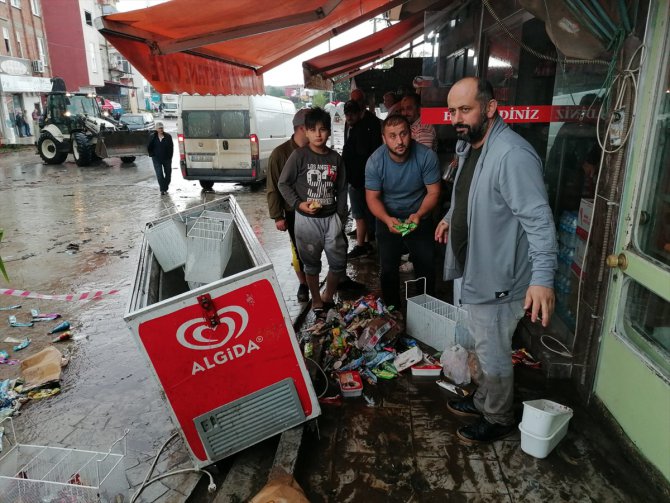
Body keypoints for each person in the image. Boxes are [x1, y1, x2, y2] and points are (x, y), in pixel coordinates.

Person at [435, 77, 557, 444]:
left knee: (493, 351)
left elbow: (539, 221)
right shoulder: (470, 146)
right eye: (452, 110)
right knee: (483, 343)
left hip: (500, 277)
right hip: (477, 267)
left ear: (490, 108)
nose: (457, 118)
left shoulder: (511, 155)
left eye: (465, 110)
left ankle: (498, 416)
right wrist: (449, 218)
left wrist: (543, 278)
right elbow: (466, 194)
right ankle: (485, 398)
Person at [365, 114, 441, 309]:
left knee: (426, 267)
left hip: (418, 218)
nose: (399, 141)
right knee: (388, 270)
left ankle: (426, 311)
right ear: (384, 138)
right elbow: (372, 197)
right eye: (392, 136)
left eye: (403, 134)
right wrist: (386, 219)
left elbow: (434, 192)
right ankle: (392, 314)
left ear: (411, 133)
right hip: (388, 220)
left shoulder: (426, 156)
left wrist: (419, 214)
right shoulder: (374, 161)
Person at [278, 108, 348, 316]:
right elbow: (283, 184)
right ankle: (316, 300)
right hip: (306, 221)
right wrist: (299, 204)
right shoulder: (299, 156)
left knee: (338, 263)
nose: (318, 134)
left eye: (323, 129)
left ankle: (328, 296)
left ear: (329, 132)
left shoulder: (336, 159)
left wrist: (341, 215)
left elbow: (342, 188)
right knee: (311, 264)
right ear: (305, 132)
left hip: (331, 219)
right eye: (313, 130)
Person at [267, 108, 310, 302]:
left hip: (317, 210)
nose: (319, 132)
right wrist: (277, 216)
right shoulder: (280, 154)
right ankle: (304, 284)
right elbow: (273, 186)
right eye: (313, 127)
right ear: (302, 128)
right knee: (299, 251)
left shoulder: (315, 150)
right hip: (293, 212)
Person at [342, 99, 382, 259]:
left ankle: (362, 245)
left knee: (360, 213)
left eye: (352, 113)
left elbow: (361, 155)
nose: (349, 117)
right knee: (363, 212)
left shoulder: (364, 128)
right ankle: (365, 243)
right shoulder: (362, 125)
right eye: (347, 114)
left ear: (360, 112)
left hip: (360, 179)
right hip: (359, 178)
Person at [147, 121, 174, 195]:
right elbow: (149, 146)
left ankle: (165, 186)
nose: (161, 129)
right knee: (159, 174)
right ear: (156, 129)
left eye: (162, 128)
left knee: (168, 174)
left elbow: (171, 147)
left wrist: (170, 157)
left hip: (167, 158)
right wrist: (152, 154)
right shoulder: (152, 136)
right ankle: (162, 189)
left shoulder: (168, 136)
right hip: (156, 159)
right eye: (159, 128)